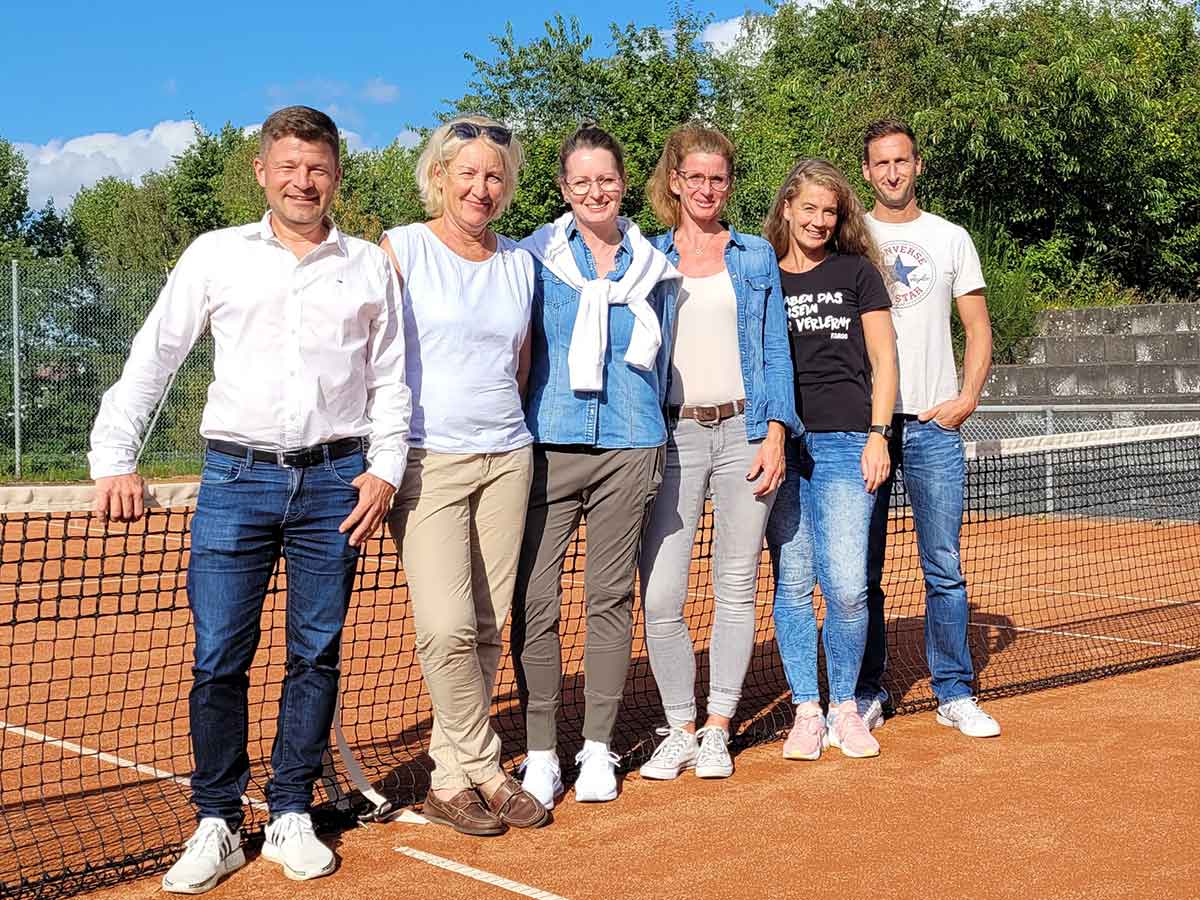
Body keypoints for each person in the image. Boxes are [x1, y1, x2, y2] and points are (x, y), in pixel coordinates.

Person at [88, 106, 410, 892]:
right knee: (218, 656)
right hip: (235, 480)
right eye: (289, 166)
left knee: (316, 652)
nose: (304, 181)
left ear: (337, 175)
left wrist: (386, 467)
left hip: (337, 481)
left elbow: (393, 379)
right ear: (263, 172)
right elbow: (155, 355)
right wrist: (112, 455)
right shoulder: (215, 255)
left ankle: (293, 808)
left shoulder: (368, 264)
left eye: (319, 167)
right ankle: (218, 821)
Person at [381, 115, 549, 836]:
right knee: (445, 626)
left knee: (485, 626)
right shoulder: (401, 248)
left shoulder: (519, 264)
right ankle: (483, 765)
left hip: (508, 457)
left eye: (495, 177)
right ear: (439, 176)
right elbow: (377, 357)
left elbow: (517, 364)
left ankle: (449, 780)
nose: (481, 188)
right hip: (427, 460)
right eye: (469, 173)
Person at [513, 125, 680, 806]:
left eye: (605, 179)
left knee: (609, 600)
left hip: (630, 444)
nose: (594, 191)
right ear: (563, 188)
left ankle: (598, 748)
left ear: (621, 181)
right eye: (580, 181)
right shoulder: (533, 258)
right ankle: (542, 752)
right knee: (536, 601)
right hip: (549, 444)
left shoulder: (654, 266)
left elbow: (665, 359)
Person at [635, 125, 798, 781]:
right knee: (661, 594)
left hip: (744, 434)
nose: (706, 189)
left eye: (718, 178)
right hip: (670, 438)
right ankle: (677, 726)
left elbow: (776, 352)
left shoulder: (755, 257)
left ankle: (717, 728)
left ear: (729, 185)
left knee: (734, 588)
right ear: (675, 180)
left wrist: (776, 431)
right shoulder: (643, 258)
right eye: (694, 177)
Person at [858, 117, 1000, 738]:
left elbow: (978, 327)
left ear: (917, 166)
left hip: (934, 429)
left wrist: (966, 396)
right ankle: (865, 691)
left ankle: (953, 690)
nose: (892, 173)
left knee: (943, 565)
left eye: (901, 161)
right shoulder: (847, 234)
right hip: (865, 432)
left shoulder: (950, 238)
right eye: (880, 164)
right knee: (861, 571)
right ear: (866, 171)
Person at [763, 158, 898, 760]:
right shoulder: (762, 273)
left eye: (830, 211)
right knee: (792, 584)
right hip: (781, 445)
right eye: (809, 208)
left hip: (849, 441)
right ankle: (806, 708)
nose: (819, 220)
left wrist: (879, 434)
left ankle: (845, 704)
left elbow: (885, 361)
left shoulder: (857, 272)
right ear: (787, 207)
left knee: (846, 587)